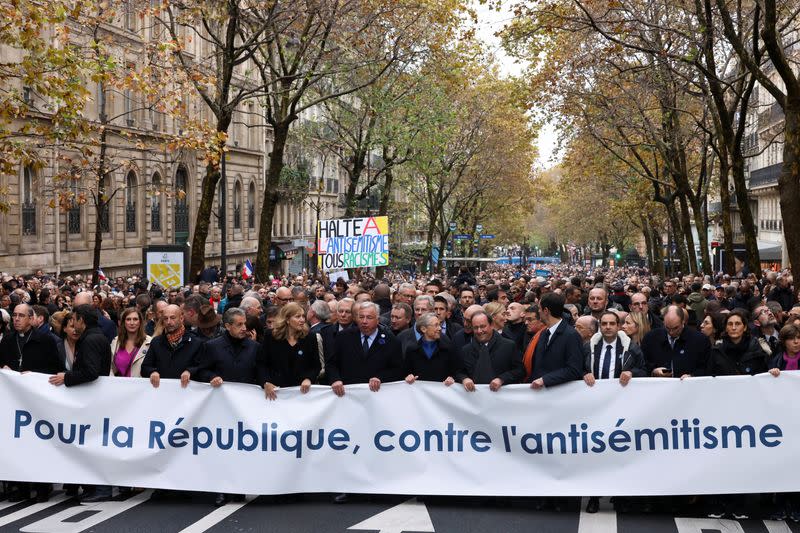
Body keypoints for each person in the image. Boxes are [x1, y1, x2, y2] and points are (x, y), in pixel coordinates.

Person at [325, 301, 402, 504]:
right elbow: (332, 363)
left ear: (378, 319)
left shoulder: (390, 339)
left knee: (375, 444)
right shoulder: (343, 337)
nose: (364, 321)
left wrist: (381, 377)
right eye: (361, 317)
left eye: (369, 318)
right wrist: (335, 379)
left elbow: (398, 369)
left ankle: (378, 484)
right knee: (349, 445)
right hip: (348, 401)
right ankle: (347, 486)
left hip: (377, 403)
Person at [196, 307, 264, 507]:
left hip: (247, 407)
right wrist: (211, 377)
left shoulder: (254, 347)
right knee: (222, 448)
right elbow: (201, 370)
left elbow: (259, 371)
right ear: (227, 326)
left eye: (245, 324)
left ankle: (240, 486)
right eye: (239, 324)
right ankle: (221, 489)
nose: (244, 328)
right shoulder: (212, 346)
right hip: (220, 406)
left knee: (243, 448)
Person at [581, 310, 646, 515]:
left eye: (612, 323)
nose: (608, 327)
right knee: (595, 453)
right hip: (593, 407)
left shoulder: (631, 348)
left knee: (619, 451)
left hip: (621, 408)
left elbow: (644, 370)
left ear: (618, 326)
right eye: (604, 324)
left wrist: (631, 372)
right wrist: (585, 373)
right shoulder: (589, 347)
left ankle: (619, 495)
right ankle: (594, 496)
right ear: (600, 326)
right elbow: (576, 368)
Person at [0, 303, 64, 503]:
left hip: (37, 402)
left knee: (38, 445)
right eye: (14, 315)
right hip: (14, 402)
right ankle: (21, 488)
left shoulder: (45, 340)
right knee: (18, 445)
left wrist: (33, 376)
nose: (16, 319)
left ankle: (42, 488)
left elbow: (56, 368)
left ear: (31, 318)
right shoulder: (8, 340)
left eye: (21, 316)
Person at [48, 304, 112, 503]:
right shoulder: (96, 337)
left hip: (92, 399)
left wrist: (66, 378)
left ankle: (101, 489)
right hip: (92, 398)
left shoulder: (90, 340)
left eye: (75, 319)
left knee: (93, 445)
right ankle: (94, 487)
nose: (73, 323)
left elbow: (91, 372)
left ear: (82, 320)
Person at [261, 302, 321, 399]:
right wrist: (265, 382)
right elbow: (262, 363)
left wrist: (308, 378)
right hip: (276, 392)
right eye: (297, 317)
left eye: (303, 316)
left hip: (301, 393)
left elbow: (316, 365)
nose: (302, 320)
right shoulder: (270, 336)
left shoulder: (310, 337)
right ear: (287, 319)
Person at [530, 292, 584, 390]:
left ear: (546, 310)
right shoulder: (543, 334)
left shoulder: (571, 335)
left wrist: (545, 380)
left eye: (539, 308)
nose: (538, 312)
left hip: (561, 394)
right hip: (541, 393)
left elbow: (574, 369)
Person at [141, 304, 202, 390]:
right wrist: (152, 372)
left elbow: (202, 368)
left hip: (186, 395)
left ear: (181, 318)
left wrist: (190, 371)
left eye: (173, 318)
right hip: (161, 393)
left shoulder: (196, 342)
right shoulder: (156, 342)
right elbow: (145, 367)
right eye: (165, 318)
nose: (169, 322)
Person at [641, 306, 710, 379]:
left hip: (689, 387)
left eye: (675, 328)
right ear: (663, 321)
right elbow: (643, 365)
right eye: (667, 328)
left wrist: (692, 376)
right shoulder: (650, 338)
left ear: (683, 321)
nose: (671, 332)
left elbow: (706, 368)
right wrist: (653, 372)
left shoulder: (700, 340)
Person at [460, 311, 523, 391]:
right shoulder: (466, 350)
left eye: (483, 326)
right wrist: (464, 378)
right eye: (476, 328)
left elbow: (520, 371)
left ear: (492, 325)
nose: (479, 331)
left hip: (502, 398)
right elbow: (459, 371)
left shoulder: (509, 346)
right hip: (474, 399)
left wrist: (502, 379)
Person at [403, 312, 462, 386]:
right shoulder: (412, 349)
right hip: (419, 395)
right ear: (424, 329)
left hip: (442, 393)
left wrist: (452, 378)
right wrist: (408, 376)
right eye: (436, 325)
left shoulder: (447, 348)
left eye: (439, 325)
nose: (440, 328)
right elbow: (405, 372)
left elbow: (457, 371)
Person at [708, 311, 769, 378]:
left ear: (745, 327)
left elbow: (764, 374)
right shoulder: (717, 351)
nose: (733, 328)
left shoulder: (757, 348)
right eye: (730, 324)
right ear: (726, 328)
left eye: (738, 324)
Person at [110, 308, 151, 378]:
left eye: (135, 319)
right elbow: (110, 367)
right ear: (123, 322)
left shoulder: (150, 342)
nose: (132, 323)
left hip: (140, 386)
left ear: (140, 322)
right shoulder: (115, 342)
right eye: (128, 319)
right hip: (118, 386)